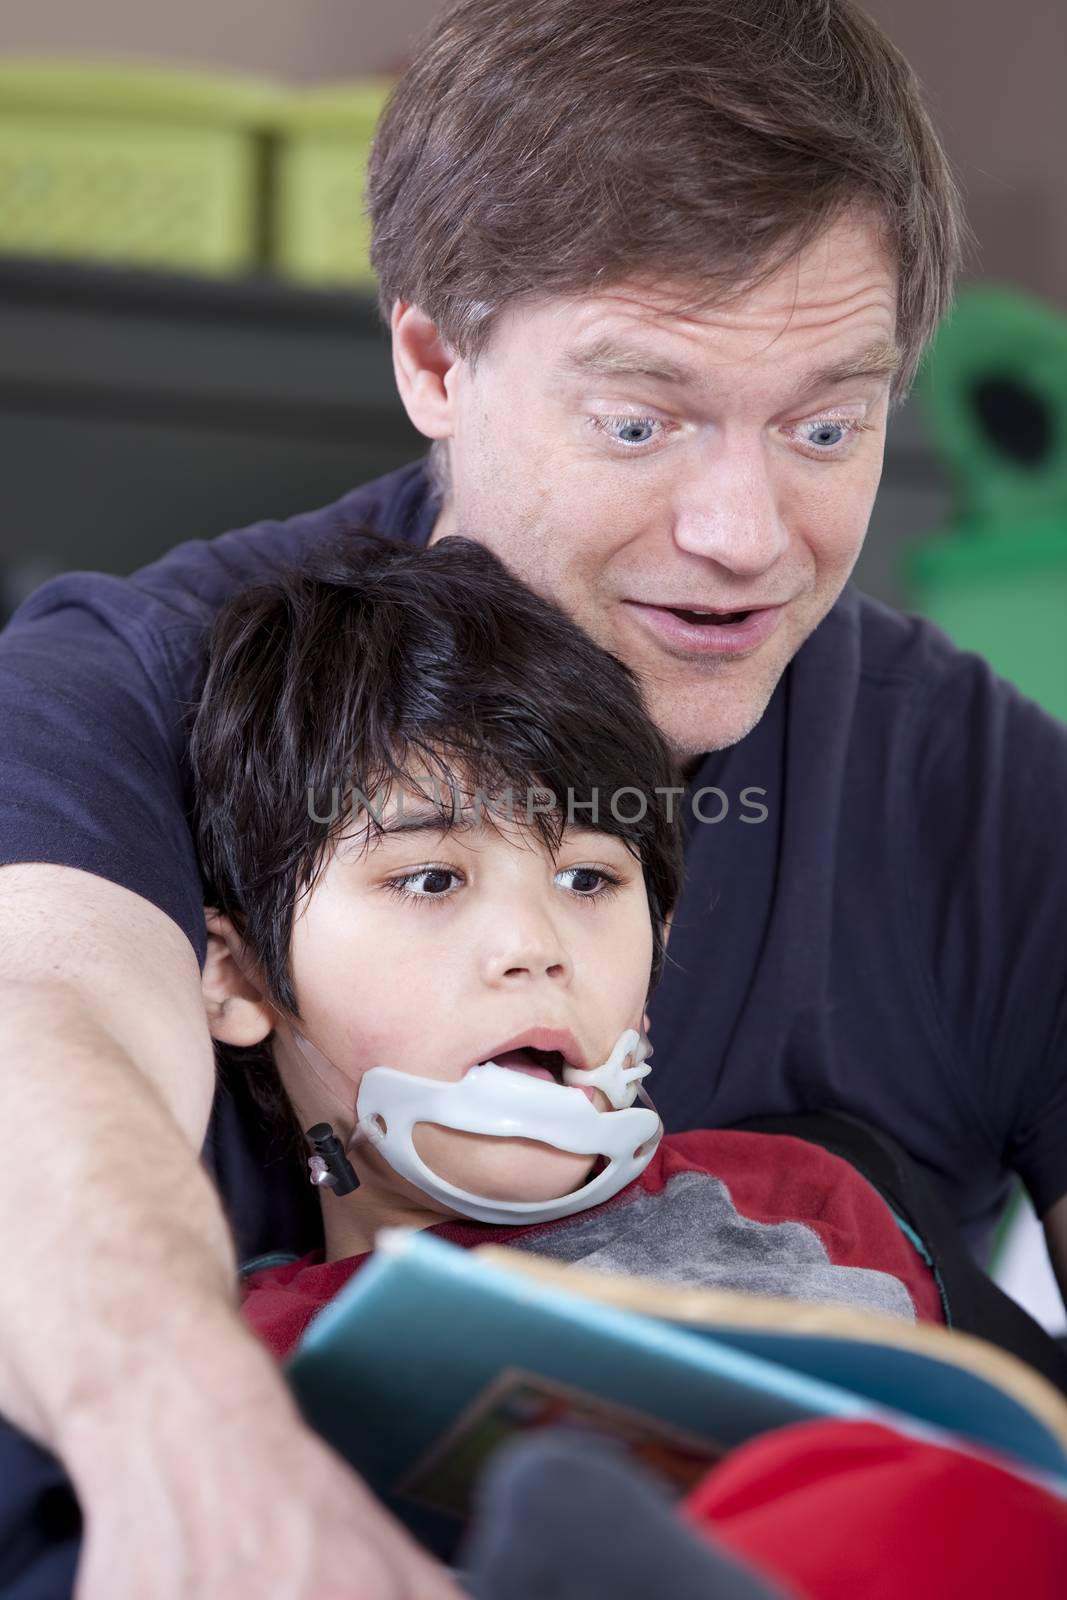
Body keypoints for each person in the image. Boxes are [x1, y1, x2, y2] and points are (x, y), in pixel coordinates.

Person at [0, 1, 1065, 1596]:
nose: (746, 533)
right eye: (641, 420)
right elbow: (42, 1026)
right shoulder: (133, 687)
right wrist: (207, 1460)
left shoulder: (976, 780)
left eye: (828, 425)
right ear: (435, 357)